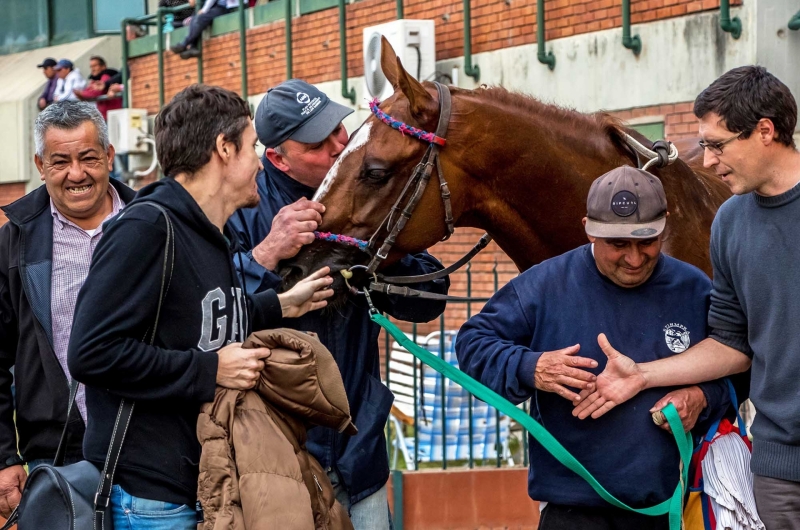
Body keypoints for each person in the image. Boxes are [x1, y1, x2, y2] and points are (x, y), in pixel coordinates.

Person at [67, 84, 333, 529]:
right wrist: (208, 372)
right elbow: (91, 353)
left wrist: (278, 306)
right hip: (150, 499)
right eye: (252, 147)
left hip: (200, 484)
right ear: (224, 149)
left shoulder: (211, 233)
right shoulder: (147, 228)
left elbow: (199, 322)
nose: (259, 164)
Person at [572, 66, 800, 530]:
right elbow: (732, 344)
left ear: (764, 131)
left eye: (717, 144)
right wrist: (642, 375)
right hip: (779, 472)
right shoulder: (731, 223)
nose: (708, 160)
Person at [455, 166, 731, 530]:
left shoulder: (694, 288)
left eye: (647, 241)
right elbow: (472, 344)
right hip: (569, 511)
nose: (634, 259)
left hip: (666, 508)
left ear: (665, 224)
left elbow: (736, 369)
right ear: (588, 228)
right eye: (618, 245)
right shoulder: (544, 285)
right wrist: (530, 367)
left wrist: (702, 396)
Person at [227, 79, 450, 530]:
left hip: (358, 450)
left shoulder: (370, 190)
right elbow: (213, 314)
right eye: (316, 142)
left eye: (338, 128)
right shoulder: (243, 209)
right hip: (277, 461)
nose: (338, 145)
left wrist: (370, 258)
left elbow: (430, 297)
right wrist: (269, 253)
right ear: (277, 158)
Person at [0, 101, 136, 518]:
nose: (76, 174)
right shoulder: (14, 244)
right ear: (40, 165)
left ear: (109, 157)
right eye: (60, 161)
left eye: (89, 158)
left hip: (148, 452)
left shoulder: (152, 225)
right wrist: (5, 457)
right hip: (56, 454)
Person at [169, 0, 240, 60]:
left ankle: (184, 44)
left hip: (226, 7)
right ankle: (192, 46)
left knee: (200, 18)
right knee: (195, 18)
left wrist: (204, 10)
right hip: (219, 7)